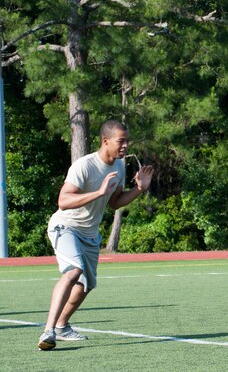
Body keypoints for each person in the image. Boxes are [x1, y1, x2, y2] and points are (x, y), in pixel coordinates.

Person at [38, 120, 154, 351]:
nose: (125, 146)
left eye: (126, 141)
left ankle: (62, 326)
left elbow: (114, 203)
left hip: (89, 234)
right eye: (121, 141)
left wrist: (139, 189)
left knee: (86, 284)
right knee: (74, 271)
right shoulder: (84, 165)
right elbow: (63, 201)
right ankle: (48, 331)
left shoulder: (119, 166)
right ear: (105, 141)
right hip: (66, 227)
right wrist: (98, 191)